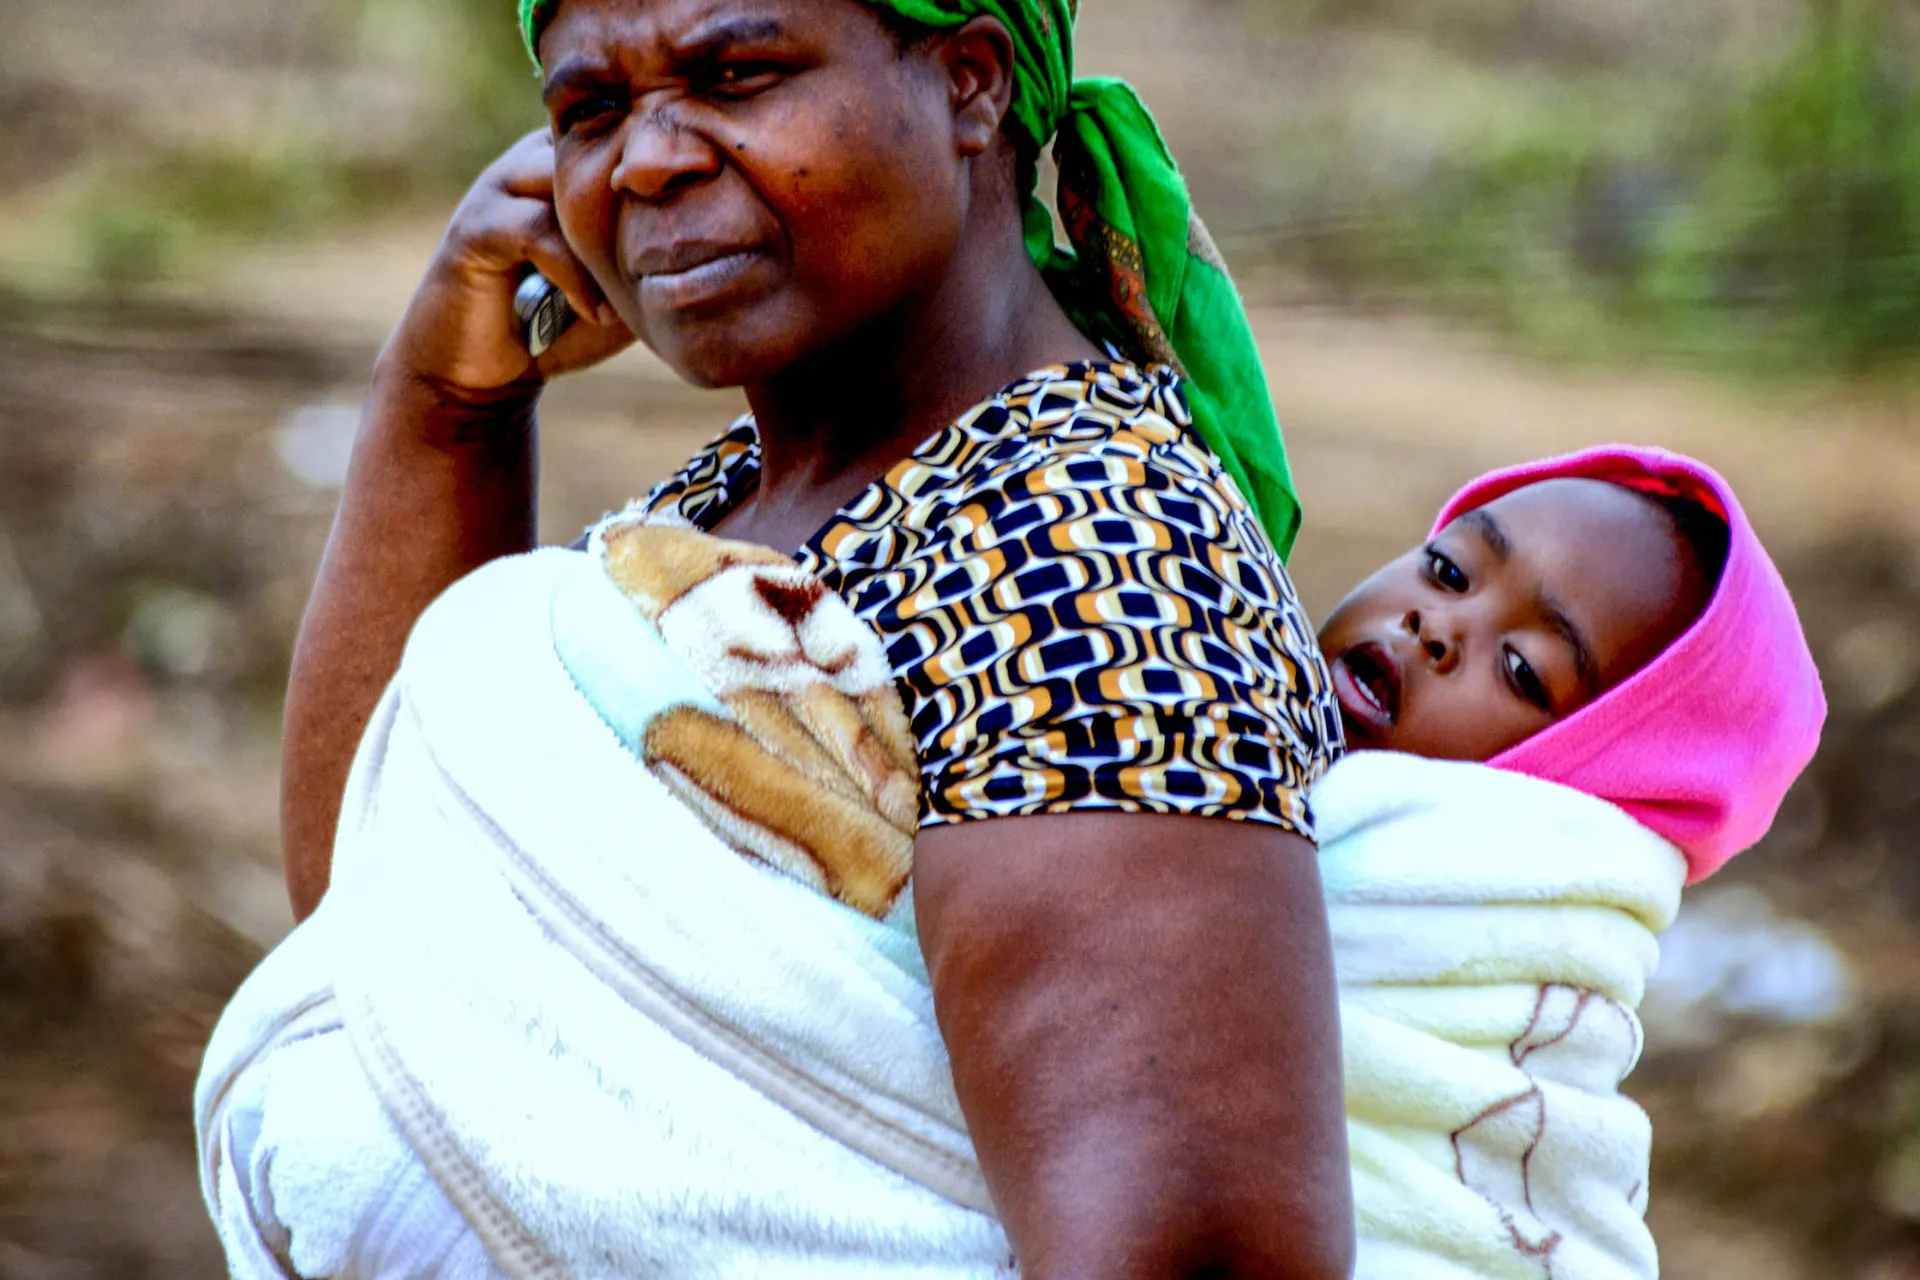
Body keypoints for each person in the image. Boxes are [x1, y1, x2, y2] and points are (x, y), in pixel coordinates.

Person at [272, 0, 1353, 1275]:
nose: (647, 162)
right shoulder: (736, 502)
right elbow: (392, 937)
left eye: (737, 73)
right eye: (591, 111)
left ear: (970, 81)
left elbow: (1193, 1250)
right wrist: (448, 405)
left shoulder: (1084, 557)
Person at [1312, 444, 1825, 1279]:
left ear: (1572, 790)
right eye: (1448, 571)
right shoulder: (1211, 715)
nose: (1437, 628)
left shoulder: (1500, 950)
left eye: (1522, 669)